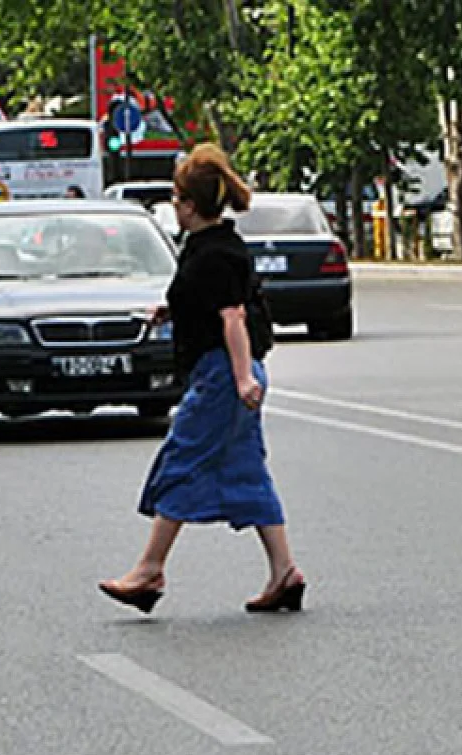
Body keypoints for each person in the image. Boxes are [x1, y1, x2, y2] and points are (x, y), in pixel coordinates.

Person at [99, 143, 306, 611]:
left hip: (221, 375)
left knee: (182, 459)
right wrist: (172, 311)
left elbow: (232, 317)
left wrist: (240, 381)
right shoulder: (219, 246)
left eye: (176, 198)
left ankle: (149, 570)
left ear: (190, 205)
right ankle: (285, 572)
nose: (173, 205)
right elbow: (219, 305)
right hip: (232, 371)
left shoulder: (210, 256)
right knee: (246, 468)